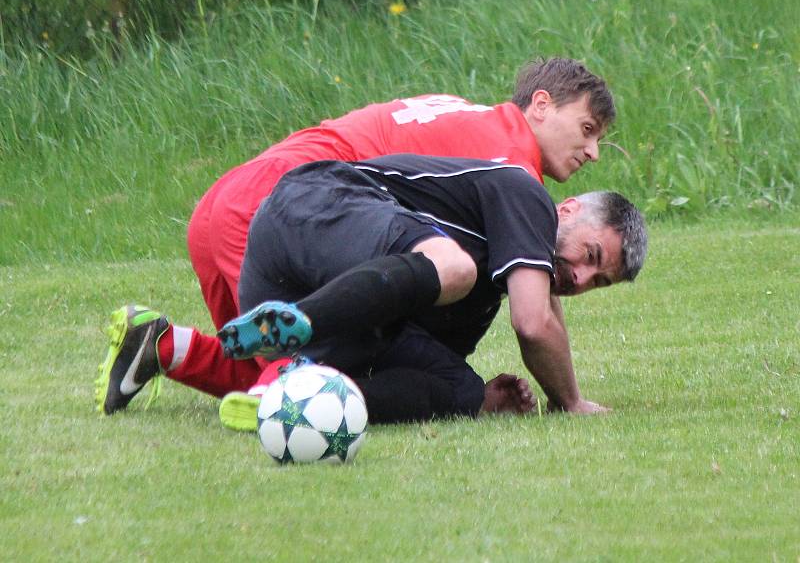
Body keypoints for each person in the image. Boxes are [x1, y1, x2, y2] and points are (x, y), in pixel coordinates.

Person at [97, 153, 647, 426]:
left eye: (598, 281)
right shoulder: (523, 192)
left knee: (455, 386)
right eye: (591, 257)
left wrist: (481, 399)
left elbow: (406, 354)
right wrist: (569, 401)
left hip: (319, 289)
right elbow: (534, 321)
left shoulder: (482, 297)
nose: (580, 278)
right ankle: (299, 329)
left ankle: (194, 357)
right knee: (451, 266)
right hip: (311, 210)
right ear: (567, 209)